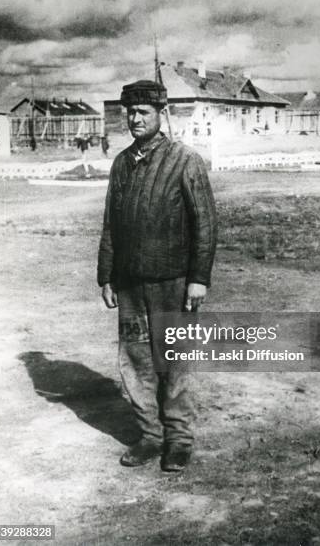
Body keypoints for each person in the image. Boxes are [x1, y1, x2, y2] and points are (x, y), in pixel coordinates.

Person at [97, 80, 217, 472]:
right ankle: (150, 436)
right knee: (135, 360)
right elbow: (111, 224)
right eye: (129, 112)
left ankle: (178, 439)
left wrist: (198, 278)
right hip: (130, 284)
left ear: (160, 114)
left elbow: (206, 223)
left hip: (174, 283)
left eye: (143, 112)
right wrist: (107, 276)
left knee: (175, 360)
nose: (134, 119)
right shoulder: (121, 163)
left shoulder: (186, 160)